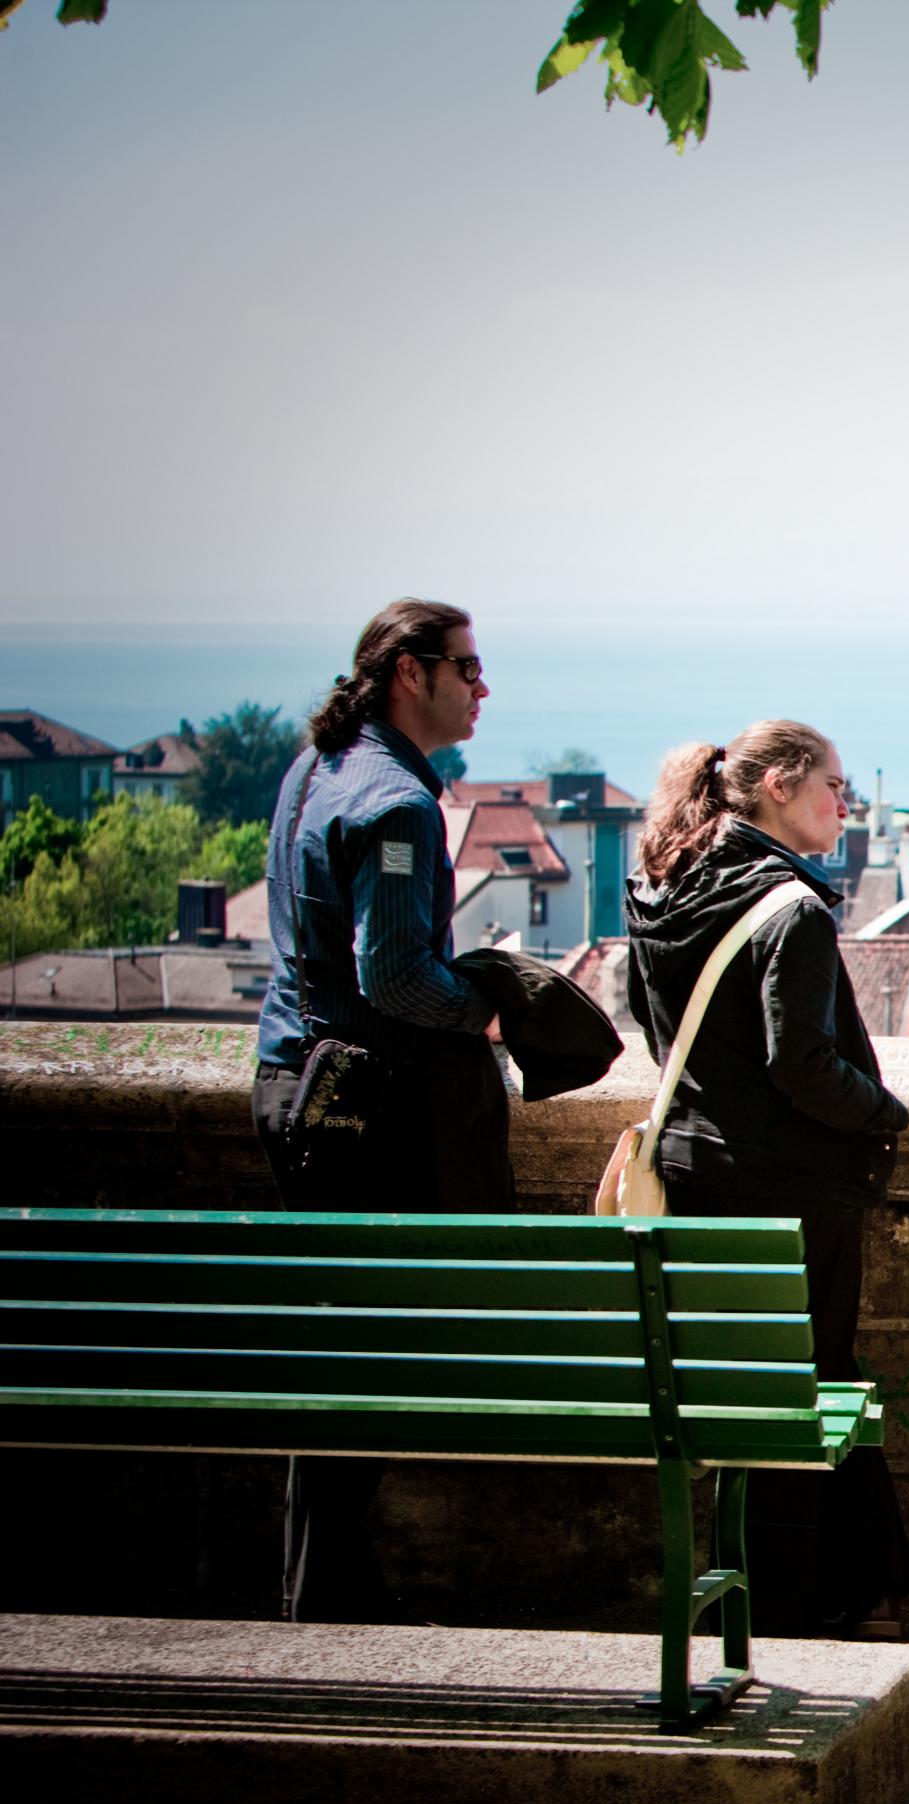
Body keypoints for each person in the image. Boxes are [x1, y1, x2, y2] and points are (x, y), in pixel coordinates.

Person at [625, 721, 909, 1639]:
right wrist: (887, 1113)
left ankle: (858, 1582)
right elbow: (800, 1063)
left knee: (742, 1389)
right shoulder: (788, 907)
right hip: (789, 1187)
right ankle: (797, 1602)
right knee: (801, 1392)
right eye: (838, 786)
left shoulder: (663, 889)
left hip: (691, 1172)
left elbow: (655, 1029)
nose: (848, 804)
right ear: (782, 785)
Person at [253, 597, 513, 1623]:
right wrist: (487, 1015)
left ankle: (322, 1588)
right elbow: (399, 978)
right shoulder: (398, 804)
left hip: (293, 1084)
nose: (482, 685)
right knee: (363, 1361)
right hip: (363, 1110)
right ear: (411, 672)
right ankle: (328, 1599)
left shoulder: (315, 768)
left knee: (330, 1354)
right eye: (468, 667)